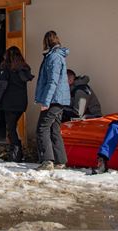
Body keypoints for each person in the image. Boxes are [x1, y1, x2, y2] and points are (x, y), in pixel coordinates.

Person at [34, 30, 70, 171]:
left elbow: (52, 82)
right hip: (59, 99)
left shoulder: (53, 57)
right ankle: (60, 160)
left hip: (54, 100)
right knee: (54, 129)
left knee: (42, 128)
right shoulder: (57, 55)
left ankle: (47, 161)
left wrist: (45, 102)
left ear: (47, 41)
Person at [0, 46, 33, 162]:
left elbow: (1, 86)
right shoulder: (24, 69)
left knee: (11, 128)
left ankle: (16, 154)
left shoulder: (7, 68)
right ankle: (17, 152)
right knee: (13, 127)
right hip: (22, 103)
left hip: (9, 103)